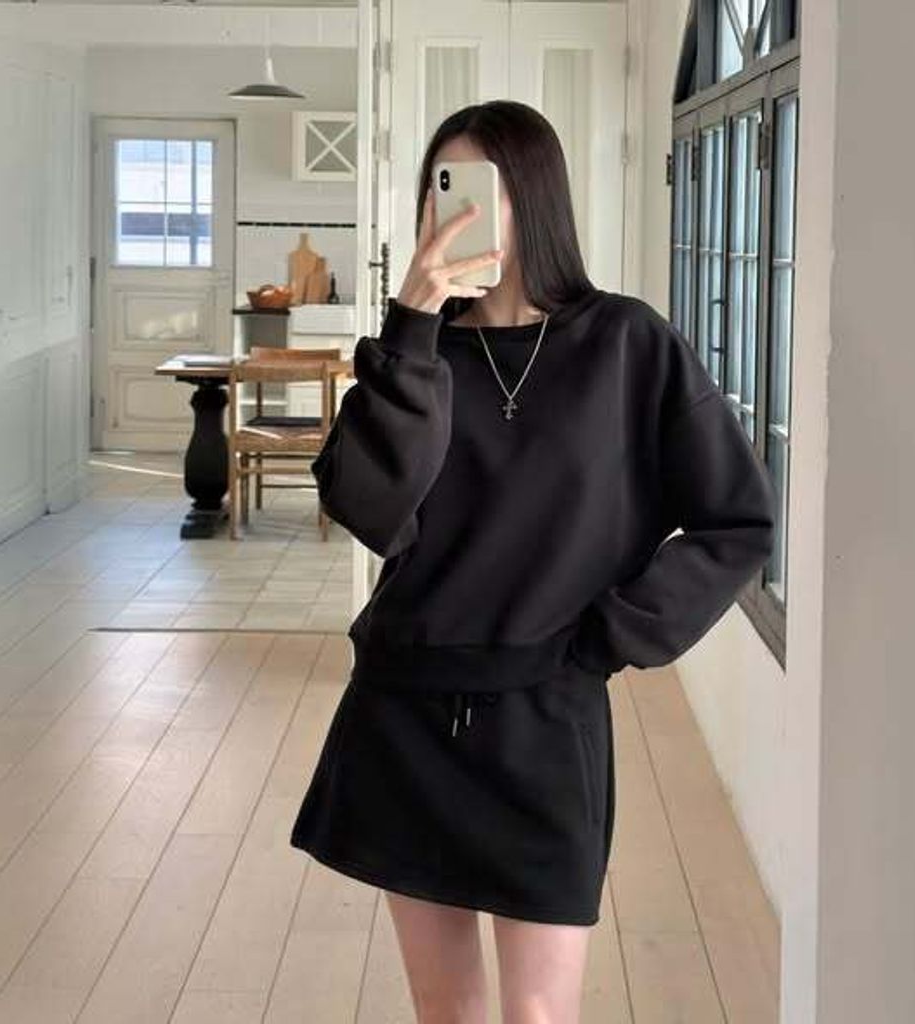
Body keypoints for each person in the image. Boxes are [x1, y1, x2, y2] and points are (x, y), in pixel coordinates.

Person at [290, 99, 776, 1024]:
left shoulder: (627, 344)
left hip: (547, 718)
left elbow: (737, 519)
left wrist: (612, 636)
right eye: (442, 189)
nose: (458, 213)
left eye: (484, 188)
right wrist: (411, 324)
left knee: (539, 1017)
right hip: (404, 712)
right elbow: (366, 507)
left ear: (536, 196)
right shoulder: (413, 355)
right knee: (448, 1014)